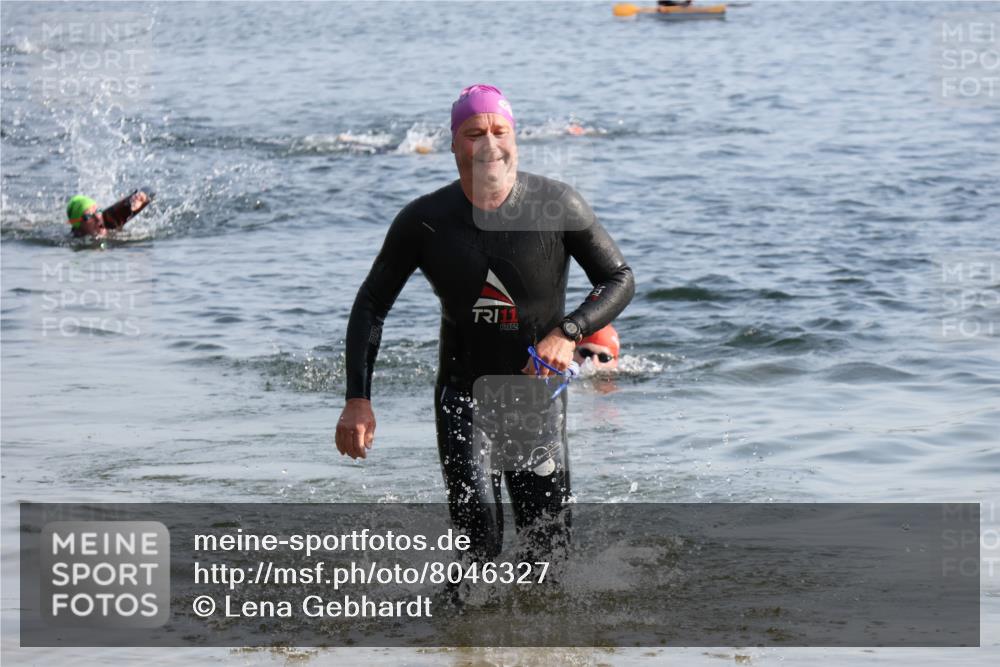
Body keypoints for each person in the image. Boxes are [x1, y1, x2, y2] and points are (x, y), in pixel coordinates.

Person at [336, 84, 635, 559]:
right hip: (463, 396)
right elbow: (371, 304)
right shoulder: (425, 221)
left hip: (536, 398)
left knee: (549, 552)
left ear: (515, 139)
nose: (491, 144)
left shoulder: (557, 204)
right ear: (454, 144)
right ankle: (452, 631)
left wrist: (569, 331)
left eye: (501, 131)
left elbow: (619, 278)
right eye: (475, 133)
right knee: (479, 546)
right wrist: (358, 400)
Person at [66, 188, 153, 238]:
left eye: (98, 211)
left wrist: (141, 197)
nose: (97, 217)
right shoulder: (72, 243)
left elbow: (150, 191)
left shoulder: (110, 221)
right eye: (88, 216)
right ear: (78, 226)